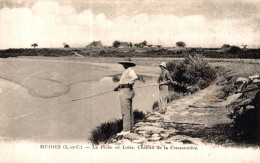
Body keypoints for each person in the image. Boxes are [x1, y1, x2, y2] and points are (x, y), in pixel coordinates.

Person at [114, 57, 138, 135]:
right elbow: (123, 81)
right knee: (129, 110)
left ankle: (126, 130)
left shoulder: (130, 70)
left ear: (127, 64)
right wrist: (118, 87)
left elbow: (135, 77)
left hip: (125, 92)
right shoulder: (127, 71)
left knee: (125, 111)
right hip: (126, 91)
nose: (123, 65)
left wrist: (129, 83)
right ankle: (130, 128)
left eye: (124, 64)